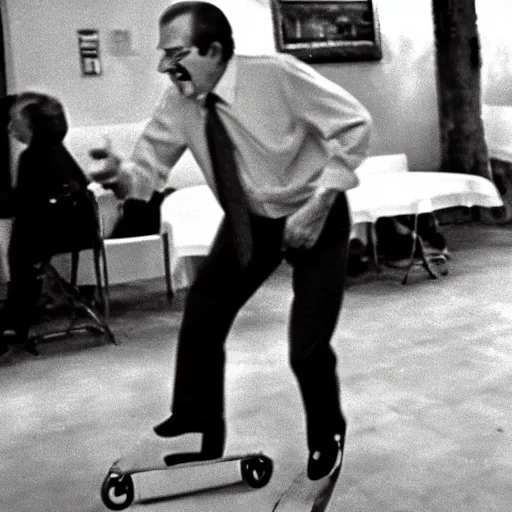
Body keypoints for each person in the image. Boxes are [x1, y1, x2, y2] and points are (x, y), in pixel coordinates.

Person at [91, 1, 372, 480]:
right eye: (163, 54)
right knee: (204, 310)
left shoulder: (277, 76)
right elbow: (147, 170)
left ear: (214, 50)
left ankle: (327, 433)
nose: (164, 65)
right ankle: (199, 420)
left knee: (306, 346)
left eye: (175, 53)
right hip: (250, 221)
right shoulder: (178, 102)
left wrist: (321, 202)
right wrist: (120, 177)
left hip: (314, 212)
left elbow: (354, 124)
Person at [0, 91, 90, 360]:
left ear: (33, 125)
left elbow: (25, 201)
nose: (9, 127)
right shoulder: (54, 152)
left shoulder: (33, 158)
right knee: (21, 238)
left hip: (58, 233)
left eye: (14, 120)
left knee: (21, 245)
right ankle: (15, 320)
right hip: (73, 228)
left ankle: (14, 322)